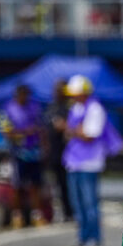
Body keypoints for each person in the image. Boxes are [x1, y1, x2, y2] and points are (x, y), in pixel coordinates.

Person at [62, 75, 123, 246]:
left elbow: (89, 135)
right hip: (73, 161)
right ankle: (83, 237)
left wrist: (73, 131)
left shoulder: (95, 108)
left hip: (90, 162)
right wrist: (75, 131)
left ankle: (94, 238)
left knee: (90, 203)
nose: (72, 96)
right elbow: (74, 132)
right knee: (77, 203)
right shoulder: (76, 108)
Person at [0, 84, 46, 228]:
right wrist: (24, 132)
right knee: (16, 186)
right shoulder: (6, 109)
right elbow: (5, 132)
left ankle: (37, 215)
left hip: (35, 153)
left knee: (36, 185)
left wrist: (44, 147)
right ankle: (17, 216)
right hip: (17, 152)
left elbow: (41, 128)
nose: (25, 98)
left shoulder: (35, 107)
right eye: (23, 94)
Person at [44, 80, 74, 221]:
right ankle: (67, 212)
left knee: (72, 183)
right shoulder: (52, 107)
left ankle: (74, 211)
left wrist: (66, 127)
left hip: (71, 153)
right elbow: (48, 128)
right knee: (59, 184)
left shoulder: (72, 107)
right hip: (55, 152)